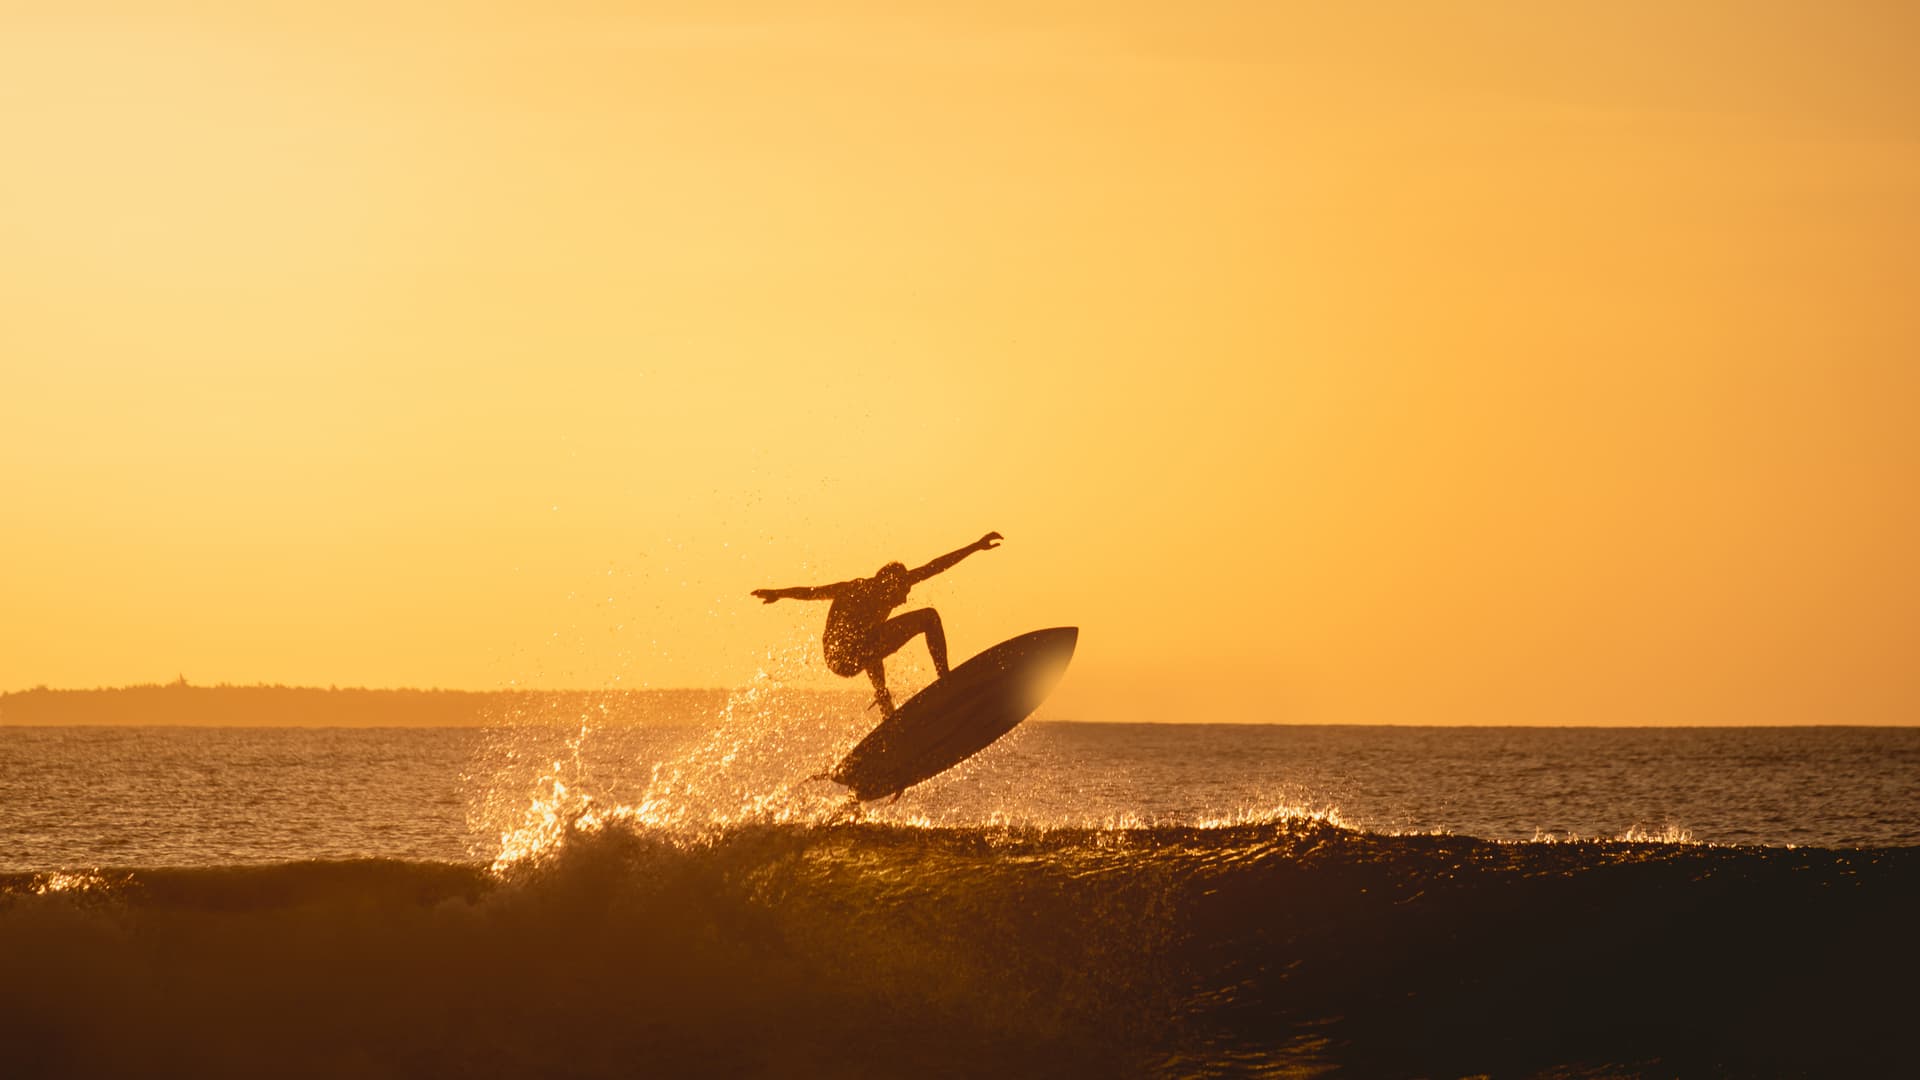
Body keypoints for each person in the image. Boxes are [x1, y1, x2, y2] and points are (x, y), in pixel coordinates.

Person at [752, 532, 1003, 717]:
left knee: (873, 639)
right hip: (842, 654)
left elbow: (934, 567)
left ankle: (884, 704)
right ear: (889, 585)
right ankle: (944, 680)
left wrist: (976, 546)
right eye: (901, 592)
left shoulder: (889, 588)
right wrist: (778, 593)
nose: (904, 598)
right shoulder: (856, 589)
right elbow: (810, 592)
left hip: (850, 654)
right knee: (928, 617)